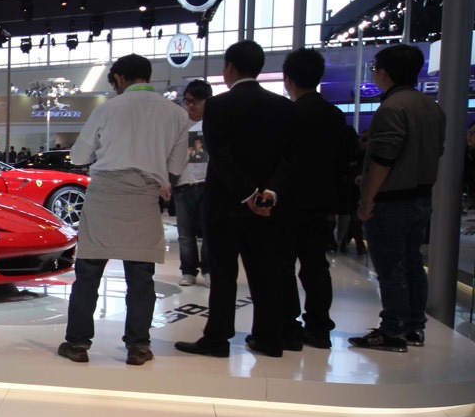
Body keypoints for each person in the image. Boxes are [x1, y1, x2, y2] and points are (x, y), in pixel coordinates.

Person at [57, 55, 190, 366]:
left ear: (117, 78)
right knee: (141, 277)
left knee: (88, 274)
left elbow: (78, 156)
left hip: (105, 193)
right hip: (144, 197)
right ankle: (138, 346)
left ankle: (77, 343)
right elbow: (177, 166)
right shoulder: (176, 114)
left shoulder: (106, 109)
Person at [176, 41, 296, 359]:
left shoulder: (219, 106)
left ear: (229, 67)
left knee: (224, 274)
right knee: (264, 272)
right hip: (267, 207)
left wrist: (247, 195)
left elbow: (221, 156)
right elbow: (289, 157)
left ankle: (217, 339)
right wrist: (267, 193)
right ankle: (269, 338)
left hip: (226, 205)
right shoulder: (282, 106)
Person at [349, 43, 446, 351]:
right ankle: (414, 328)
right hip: (420, 197)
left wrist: (367, 199)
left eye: (376, 70)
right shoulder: (432, 107)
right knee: (413, 264)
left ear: (385, 73)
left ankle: (392, 331)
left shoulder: (393, 108)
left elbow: (384, 158)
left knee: (390, 268)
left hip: (392, 200)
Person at [278, 48, 356, 348]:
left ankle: (289, 324)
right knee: (316, 266)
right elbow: (340, 163)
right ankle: (319, 327)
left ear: (288, 79)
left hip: (288, 202)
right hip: (322, 203)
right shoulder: (334, 116)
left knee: (284, 265)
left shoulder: (288, 114)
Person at [174, 80, 213, 286]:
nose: (189, 106)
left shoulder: (214, 123)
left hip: (208, 183)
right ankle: (188, 270)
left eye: (194, 102)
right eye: (186, 101)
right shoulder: (179, 125)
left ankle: (208, 269)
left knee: (209, 231)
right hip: (183, 183)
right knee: (185, 233)